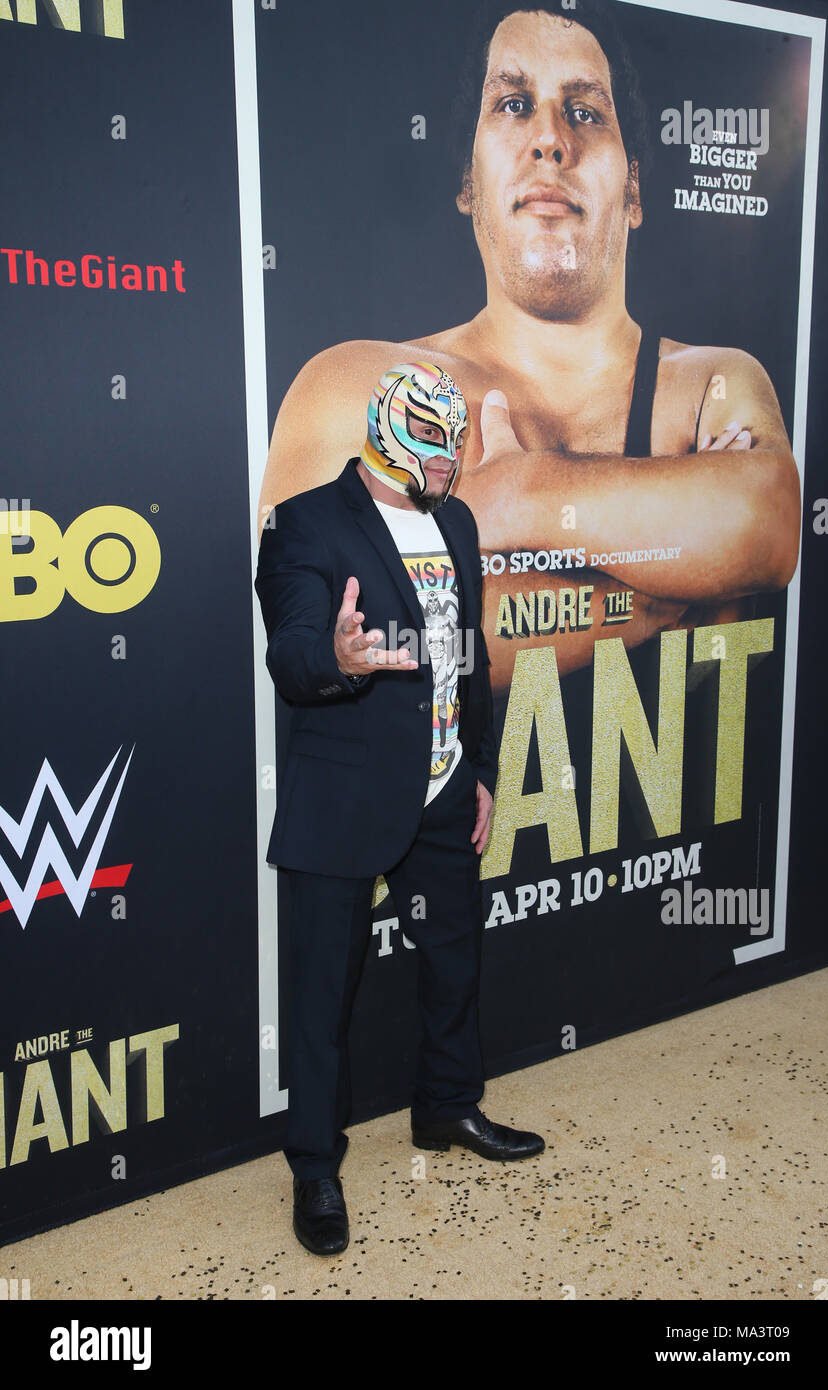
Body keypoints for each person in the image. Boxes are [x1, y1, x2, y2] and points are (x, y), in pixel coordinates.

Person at [257, 0, 800, 695]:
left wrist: (516, 494)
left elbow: (768, 523)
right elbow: (327, 636)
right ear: (467, 183)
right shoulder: (355, 384)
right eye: (514, 104)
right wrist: (661, 594)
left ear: (633, 189)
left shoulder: (708, 384)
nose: (550, 139)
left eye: (585, 112)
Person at [255, 362, 545, 1257]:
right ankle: (313, 1166)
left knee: (455, 963)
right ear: (395, 432)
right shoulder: (304, 522)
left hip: (444, 790)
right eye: (443, 441)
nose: (458, 459)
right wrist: (339, 655)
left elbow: (471, 656)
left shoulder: (454, 521)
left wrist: (484, 768)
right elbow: (295, 652)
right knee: (318, 997)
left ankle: (447, 1109)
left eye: (459, 441)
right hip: (342, 798)